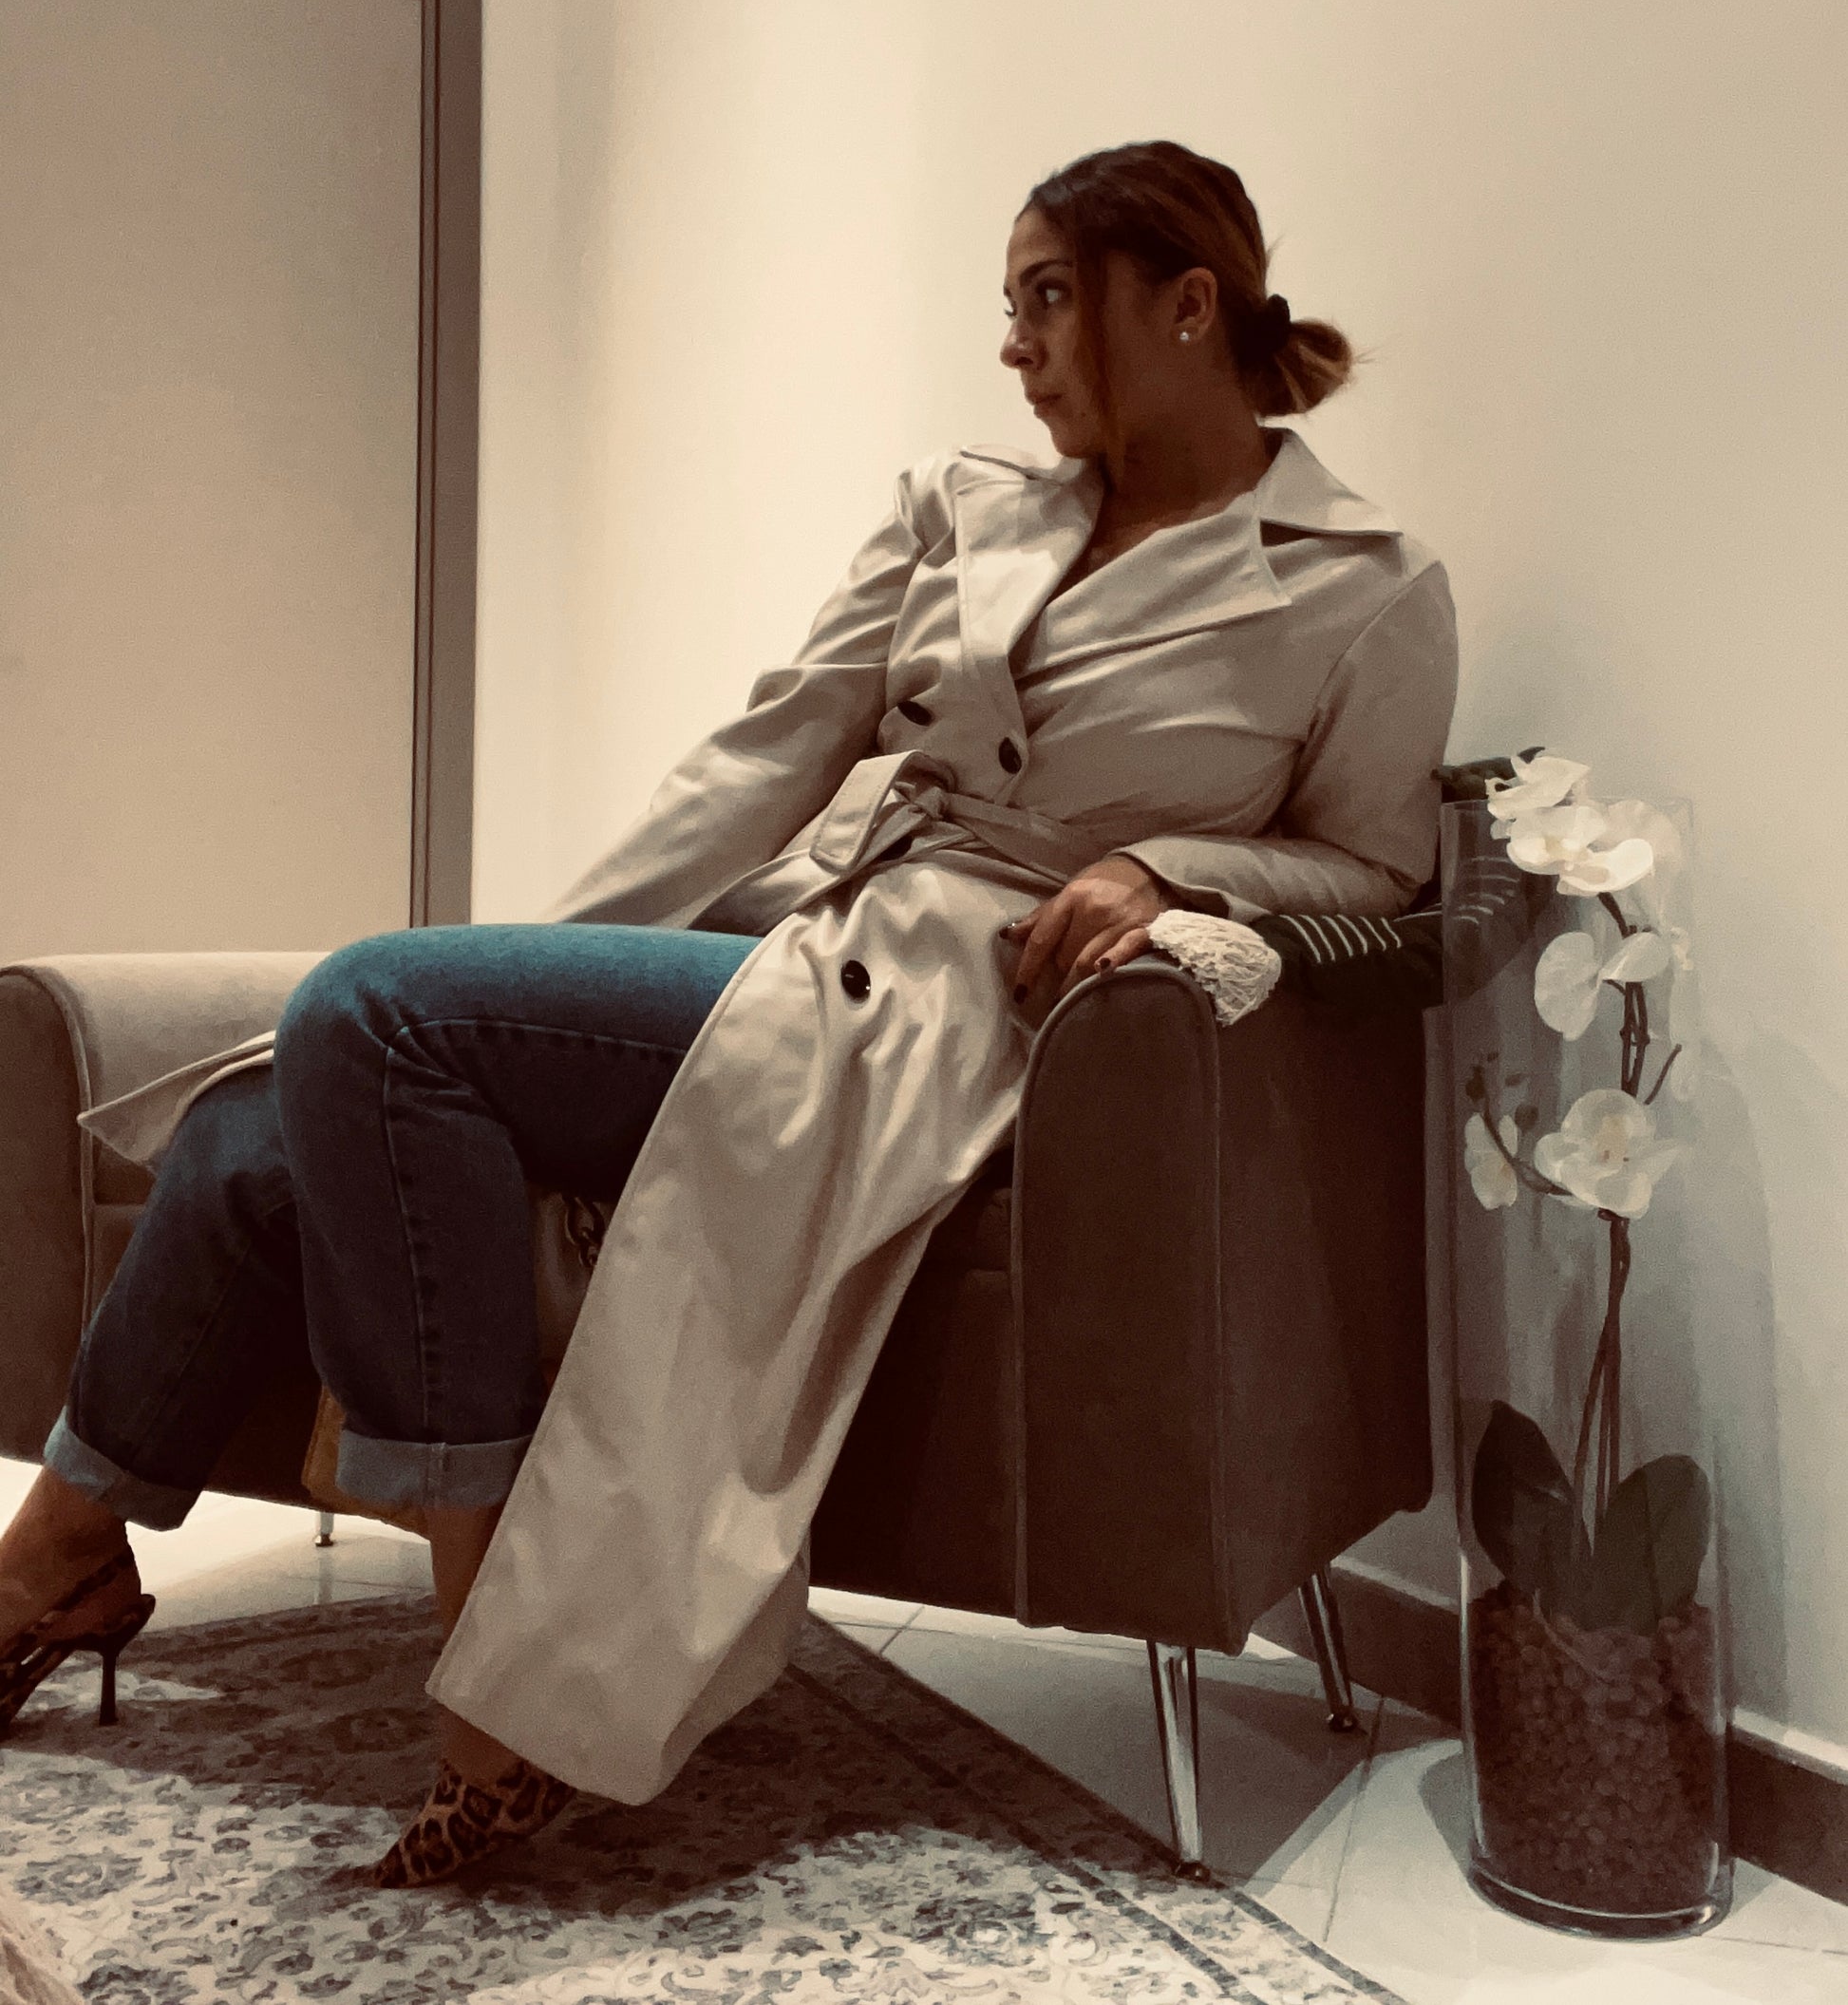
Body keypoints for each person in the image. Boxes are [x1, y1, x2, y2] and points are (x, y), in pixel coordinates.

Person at [0, 140, 1460, 1887]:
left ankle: (481, 1656)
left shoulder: (1361, 583)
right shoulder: (963, 505)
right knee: (292, 1096)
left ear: (1189, 304)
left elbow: (1377, 866)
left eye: (1045, 297)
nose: (1011, 344)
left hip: (956, 1012)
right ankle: (60, 1561)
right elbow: (764, 759)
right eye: (1008, 305)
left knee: (370, 1016)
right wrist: (525, 962)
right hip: (808, 934)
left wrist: (1170, 869)